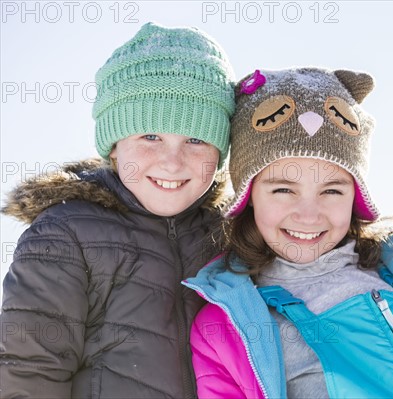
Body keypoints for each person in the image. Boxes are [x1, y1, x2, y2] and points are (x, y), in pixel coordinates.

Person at [182, 67, 393, 398]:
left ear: (355, 198)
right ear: (249, 197)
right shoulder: (227, 328)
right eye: (283, 190)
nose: (309, 214)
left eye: (332, 191)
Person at [0, 22, 235, 397]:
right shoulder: (67, 233)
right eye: (151, 136)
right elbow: (29, 371)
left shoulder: (231, 237)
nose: (172, 162)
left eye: (195, 139)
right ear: (113, 146)